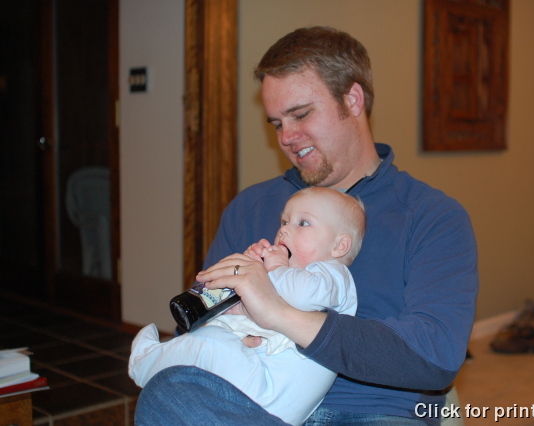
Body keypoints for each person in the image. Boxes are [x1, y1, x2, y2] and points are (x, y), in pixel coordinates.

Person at [135, 26, 478, 425]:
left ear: (352, 100)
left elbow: (436, 357)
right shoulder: (250, 207)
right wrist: (224, 327)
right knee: (163, 395)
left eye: (300, 114)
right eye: (277, 124)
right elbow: (195, 325)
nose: (288, 138)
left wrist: (279, 314)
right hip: (250, 399)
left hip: (373, 409)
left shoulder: (431, 216)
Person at [129, 187, 364, 425]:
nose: (283, 230)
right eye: (284, 221)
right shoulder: (288, 276)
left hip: (269, 394)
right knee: (209, 336)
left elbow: (301, 296)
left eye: (303, 223)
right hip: (253, 384)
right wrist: (248, 268)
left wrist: (273, 268)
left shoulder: (334, 275)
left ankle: (146, 362)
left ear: (339, 246)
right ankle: (159, 361)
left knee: (211, 344)